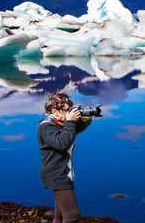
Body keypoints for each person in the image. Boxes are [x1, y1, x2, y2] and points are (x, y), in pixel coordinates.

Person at [38, 93, 93, 223]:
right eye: (66, 110)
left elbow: (71, 132)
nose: (69, 112)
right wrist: (70, 121)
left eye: (70, 108)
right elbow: (62, 143)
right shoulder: (46, 126)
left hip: (63, 173)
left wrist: (85, 120)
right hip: (56, 175)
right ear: (54, 111)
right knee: (72, 216)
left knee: (60, 216)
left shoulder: (59, 124)